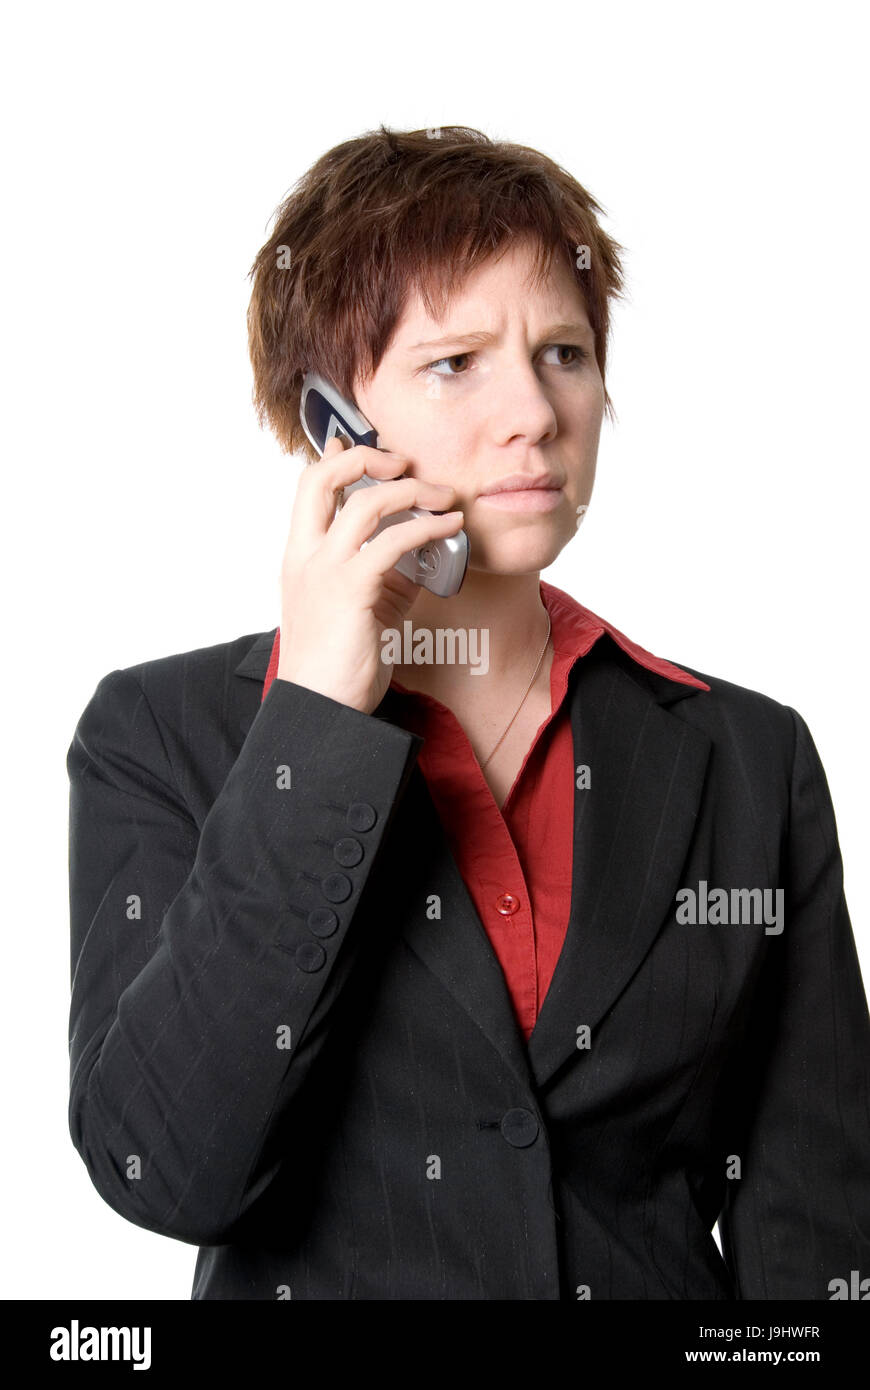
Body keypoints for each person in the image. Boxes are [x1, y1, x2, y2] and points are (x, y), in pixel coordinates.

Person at [66, 124, 870, 1300]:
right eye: (456, 363)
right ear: (331, 418)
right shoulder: (161, 733)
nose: (535, 413)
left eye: (563, 353)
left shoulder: (750, 756)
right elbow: (167, 1169)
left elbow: (818, 1231)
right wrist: (316, 717)